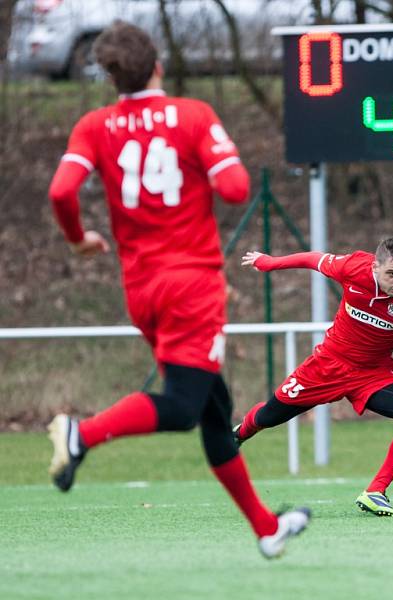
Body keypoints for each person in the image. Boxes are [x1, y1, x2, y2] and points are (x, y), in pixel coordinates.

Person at [45, 21, 309, 559]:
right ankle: (81, 435)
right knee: (185, 406)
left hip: (141, 289)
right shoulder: (192, 116)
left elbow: (61, 191)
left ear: (112, 77)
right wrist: (207, 166)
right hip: (192, 285)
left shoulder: (96, 125)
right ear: (158, 65)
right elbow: (235, 189)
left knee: (216, 409)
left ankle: (265, 528)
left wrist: (77, 241)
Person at [234, 237, 393, 517]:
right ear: (375, 267)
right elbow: (313, 259)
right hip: (328, 366)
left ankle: (375, 491)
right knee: (269, 417)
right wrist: (270, 262)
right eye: (391, 274)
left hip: (373, 375)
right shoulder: (354, 267)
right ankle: (239, 433)